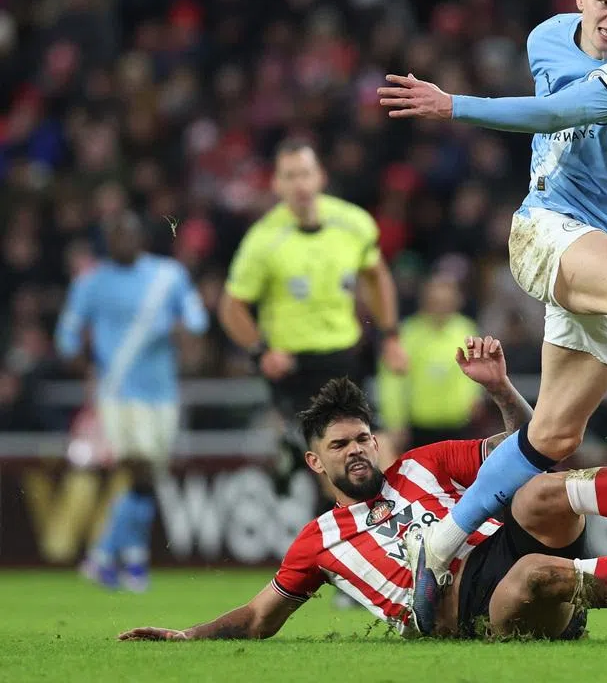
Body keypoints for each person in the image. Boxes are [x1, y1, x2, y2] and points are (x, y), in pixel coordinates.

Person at [376, 0, 607, 632]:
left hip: (605, 245)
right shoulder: (544, 37)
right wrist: (458, 108)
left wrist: (456, 106)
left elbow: (565, 109)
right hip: (544, 229)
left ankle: (439, 543)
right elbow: (548, 112)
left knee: (554, 434)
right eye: (604, 4)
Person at [117, 337, 607, 642]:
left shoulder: (422, 464)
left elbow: (528, 446)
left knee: (540, 489)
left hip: (498, 547)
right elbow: (260, 618)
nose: (359, 451)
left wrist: (500, 389)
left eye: (363, 438)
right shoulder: (319, 542)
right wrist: (188, 637)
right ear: (315, 463)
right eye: (340, 446)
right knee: (536, 570)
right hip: (465, 611)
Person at [219, 138, 409, 487]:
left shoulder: (354, 223)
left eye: (305, 174)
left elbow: (376, 275)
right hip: (296, 367)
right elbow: (231, 308)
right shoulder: (263, 240)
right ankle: (298, 460)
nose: (299, 185)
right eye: (289, 176)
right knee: (337, 464)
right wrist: (262, 351)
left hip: (347, 358)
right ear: (276, 184)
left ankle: (293, 457)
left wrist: (391, 337)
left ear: (320, 177)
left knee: (382, 454)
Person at [55, 211, 208, 591]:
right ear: (107, 241)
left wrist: (181, 328)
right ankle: (105, 556)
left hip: (163, 392)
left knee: (149, 474)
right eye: (116, 235)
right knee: (138, 467)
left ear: (141, 238)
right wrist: (83, 366)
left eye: (129, 233)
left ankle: (126, 560)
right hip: (119, 392)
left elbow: (196, 317)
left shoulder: (167, 276)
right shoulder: (91, 282)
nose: (123, 241)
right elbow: (67, 335)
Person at [379, 274, 481, 450]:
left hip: (458, 423)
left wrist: (474, 398)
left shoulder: (465, 330)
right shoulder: (407, 334)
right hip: (418, 426)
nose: (441, 307)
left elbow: (475, 371)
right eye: (435, 301)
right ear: (424, 301)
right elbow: (393, 381)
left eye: (446, 301)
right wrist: (395, 421)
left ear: (456, 301)